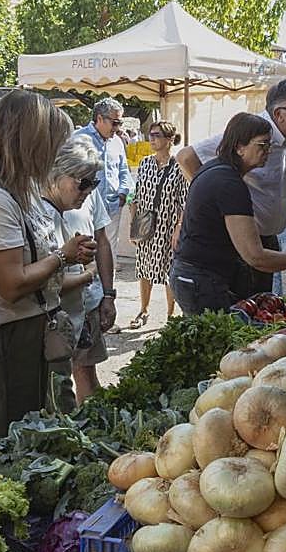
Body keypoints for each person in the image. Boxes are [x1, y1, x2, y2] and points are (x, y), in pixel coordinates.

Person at [0, 91, 96, 436]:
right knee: (17, 437)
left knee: (44, 433)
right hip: (11, 338)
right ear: (29, 143)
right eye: (52, 144)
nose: (56, 155)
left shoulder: (22, 194)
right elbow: (10, 285)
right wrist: (63, 257)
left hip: (36, 330)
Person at [178, 79, 286, 294]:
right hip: (240, 245)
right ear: (279, 114)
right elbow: (186, 157)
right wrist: (220, 201)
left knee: (258, 307)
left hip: (268, 241)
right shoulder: (251, 132)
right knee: (236, 311)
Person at [171, 112, 286, 313]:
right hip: (201, 280)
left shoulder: (215, 169)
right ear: (239, 147)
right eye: (262, 145)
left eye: (270, 145)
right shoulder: (229, 183)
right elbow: (255, 256)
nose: (268, 151)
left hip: (192, 275)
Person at [42, 136, 111, 403]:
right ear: (58, 173)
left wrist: (108, 293)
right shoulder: (39, 212)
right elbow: (45, 283)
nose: (88, 190)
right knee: (59, 397)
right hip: (54, 323)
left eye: (94, 183)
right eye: (83, 183)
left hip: (84, 308)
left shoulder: (78, 203)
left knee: (86, 375)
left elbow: (102, 242)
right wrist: (87, 273)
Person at [129, 120, 188, 329]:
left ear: (170, 139)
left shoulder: (179, 166)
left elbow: (184, 200)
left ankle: (170, 316)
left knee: (169, 270)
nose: (151, 139)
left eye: (156, 135)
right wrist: (134, 226)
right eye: (150, 135)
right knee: (144, 268)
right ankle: (143, 310)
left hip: (169, 226)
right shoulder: (145, 163)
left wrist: (179, 227)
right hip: (146, 224)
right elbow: (136, 196)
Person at [75, 97, 134, 258]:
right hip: (85, 208)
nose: (117, 128)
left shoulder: (117, 142)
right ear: (100, 118)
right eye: (115, 123)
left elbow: (123, 170)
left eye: (120, 123)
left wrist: (122, 193)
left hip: (112, 207)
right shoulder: (78, 138)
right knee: (86, 253)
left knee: (109, 252)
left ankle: (108, 283)